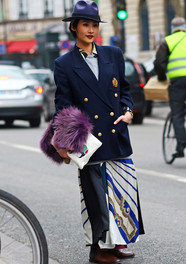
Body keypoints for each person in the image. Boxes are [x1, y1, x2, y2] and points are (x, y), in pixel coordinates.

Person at [53, 1, 144, 263]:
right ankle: (98, 248)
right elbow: (64, 104)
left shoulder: (113, 54)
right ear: (74, 27)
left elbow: (125, 90)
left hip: (116, 133)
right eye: (85, 25)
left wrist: (128, 111)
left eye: (94, 25)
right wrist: (66, 139)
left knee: (121, 193)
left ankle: (117, 243)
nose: (91, 30)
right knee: (95, 196)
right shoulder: (64, 63)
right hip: (89, 139)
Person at [154, 17, 186, 159]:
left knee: (177, 114)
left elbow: (159, 62)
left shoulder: (167, 41)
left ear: (172, 28)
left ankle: (180, 146)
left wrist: (161, 78)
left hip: (178, 82)